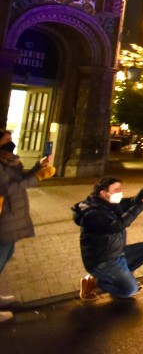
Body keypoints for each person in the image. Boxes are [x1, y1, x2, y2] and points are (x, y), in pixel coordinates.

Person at [72, 177, 143, 301]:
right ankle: (94, 282)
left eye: (120, 189)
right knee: (130, 290)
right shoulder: (92, 213)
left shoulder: (109, 203)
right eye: (116, 190)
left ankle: (122, 278)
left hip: (117, 253)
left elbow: (131, 202)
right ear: (103, 193)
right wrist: (141, 205)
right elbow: (118, 225)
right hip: (103, 260)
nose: (120, 192)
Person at [0, 132, 55, 322]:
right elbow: (7, 188)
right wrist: (37, 177)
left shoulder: (9, 161)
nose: (11, 144)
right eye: (6, 141)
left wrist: (38, 167)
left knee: (5, 256)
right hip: (3, 215)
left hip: (12, 215)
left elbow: (19, 179)